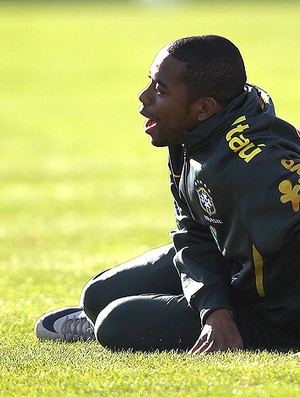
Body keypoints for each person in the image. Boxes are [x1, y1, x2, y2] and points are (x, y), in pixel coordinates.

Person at [35, 35, 300, 353]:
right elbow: (193, 231)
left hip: (276, 314)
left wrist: (232, 319)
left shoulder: (257, 168)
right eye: (150, 83)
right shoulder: (190, 133)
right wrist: (213, 309)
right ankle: (164, 315)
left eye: (160, 90)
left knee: (115, 323)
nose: (143, 97)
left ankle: (153, 319)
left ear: (204, 107)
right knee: (97, 296)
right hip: (231, 268)